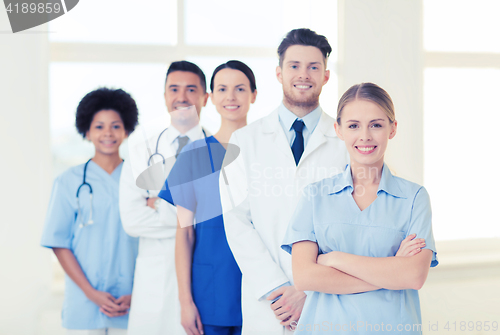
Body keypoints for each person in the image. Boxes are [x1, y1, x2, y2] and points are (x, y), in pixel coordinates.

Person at [219, 29, 349, 334]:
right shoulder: (245, 141)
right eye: (294, 66)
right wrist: (278, 288)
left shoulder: (346, 141)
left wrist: (307, 288)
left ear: (326, 76)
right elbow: (236, 223)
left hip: (324, 298)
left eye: (313, 67)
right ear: (279, 73)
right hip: (269, 303)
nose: (303, 74)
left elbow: (350, 227)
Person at [281, 83, 439, 334]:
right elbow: (305, 277)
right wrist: (391, 270)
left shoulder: (414, 198)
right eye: (353, 125)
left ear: (392, 128)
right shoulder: (315, 196)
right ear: (339, 130)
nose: (365, 136)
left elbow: (413, 277)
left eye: (376, 125)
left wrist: (334, 259)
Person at [158, 60, 257, 335]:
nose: (231, 96)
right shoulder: (193, 156)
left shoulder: (266, 154)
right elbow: (185, 234)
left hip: (261, 286)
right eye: (222, 89)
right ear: (211, 98)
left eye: (240, 88)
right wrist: (185, 302)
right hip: (209, 290)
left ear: (254, 95)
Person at [119, 61, 210, 335]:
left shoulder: (217, 151)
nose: (182, 97)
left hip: (202, 273)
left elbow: (224, 220)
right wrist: (190, 216)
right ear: (164, 97)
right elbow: (132, 221)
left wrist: (159, 204)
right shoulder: (140, 149)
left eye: (191, 89)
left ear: (205, 98)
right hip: (155, 279)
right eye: (174, 89)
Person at [40, 87, 140, 334]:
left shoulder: (140, 181)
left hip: (132, 298)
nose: (108, 133)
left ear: (126, 130)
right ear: (86, 131)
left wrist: (137, 291)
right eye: (99, 126)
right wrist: (91, 293)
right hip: (84, 300)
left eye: (116, 126)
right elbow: (59, 242)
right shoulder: (68, 182)